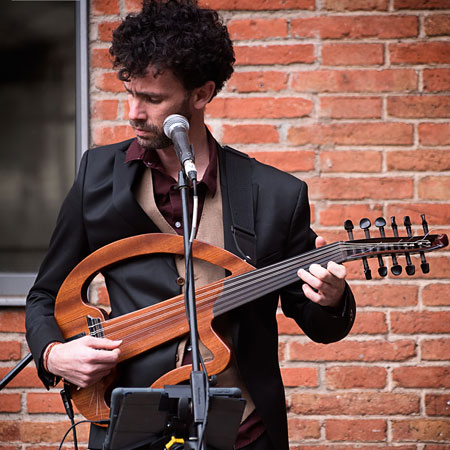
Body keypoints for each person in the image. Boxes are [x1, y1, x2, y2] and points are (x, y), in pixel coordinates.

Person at [25, 1, 356, 449]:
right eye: (130, 93)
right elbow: (45, 295)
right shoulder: (97, 177)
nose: (133, 113)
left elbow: (320, 323)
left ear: (201, 94)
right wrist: (54, 354)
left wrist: (332, 299)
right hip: (128, 426)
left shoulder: (275, 194)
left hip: (244, 432)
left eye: (152, 99)